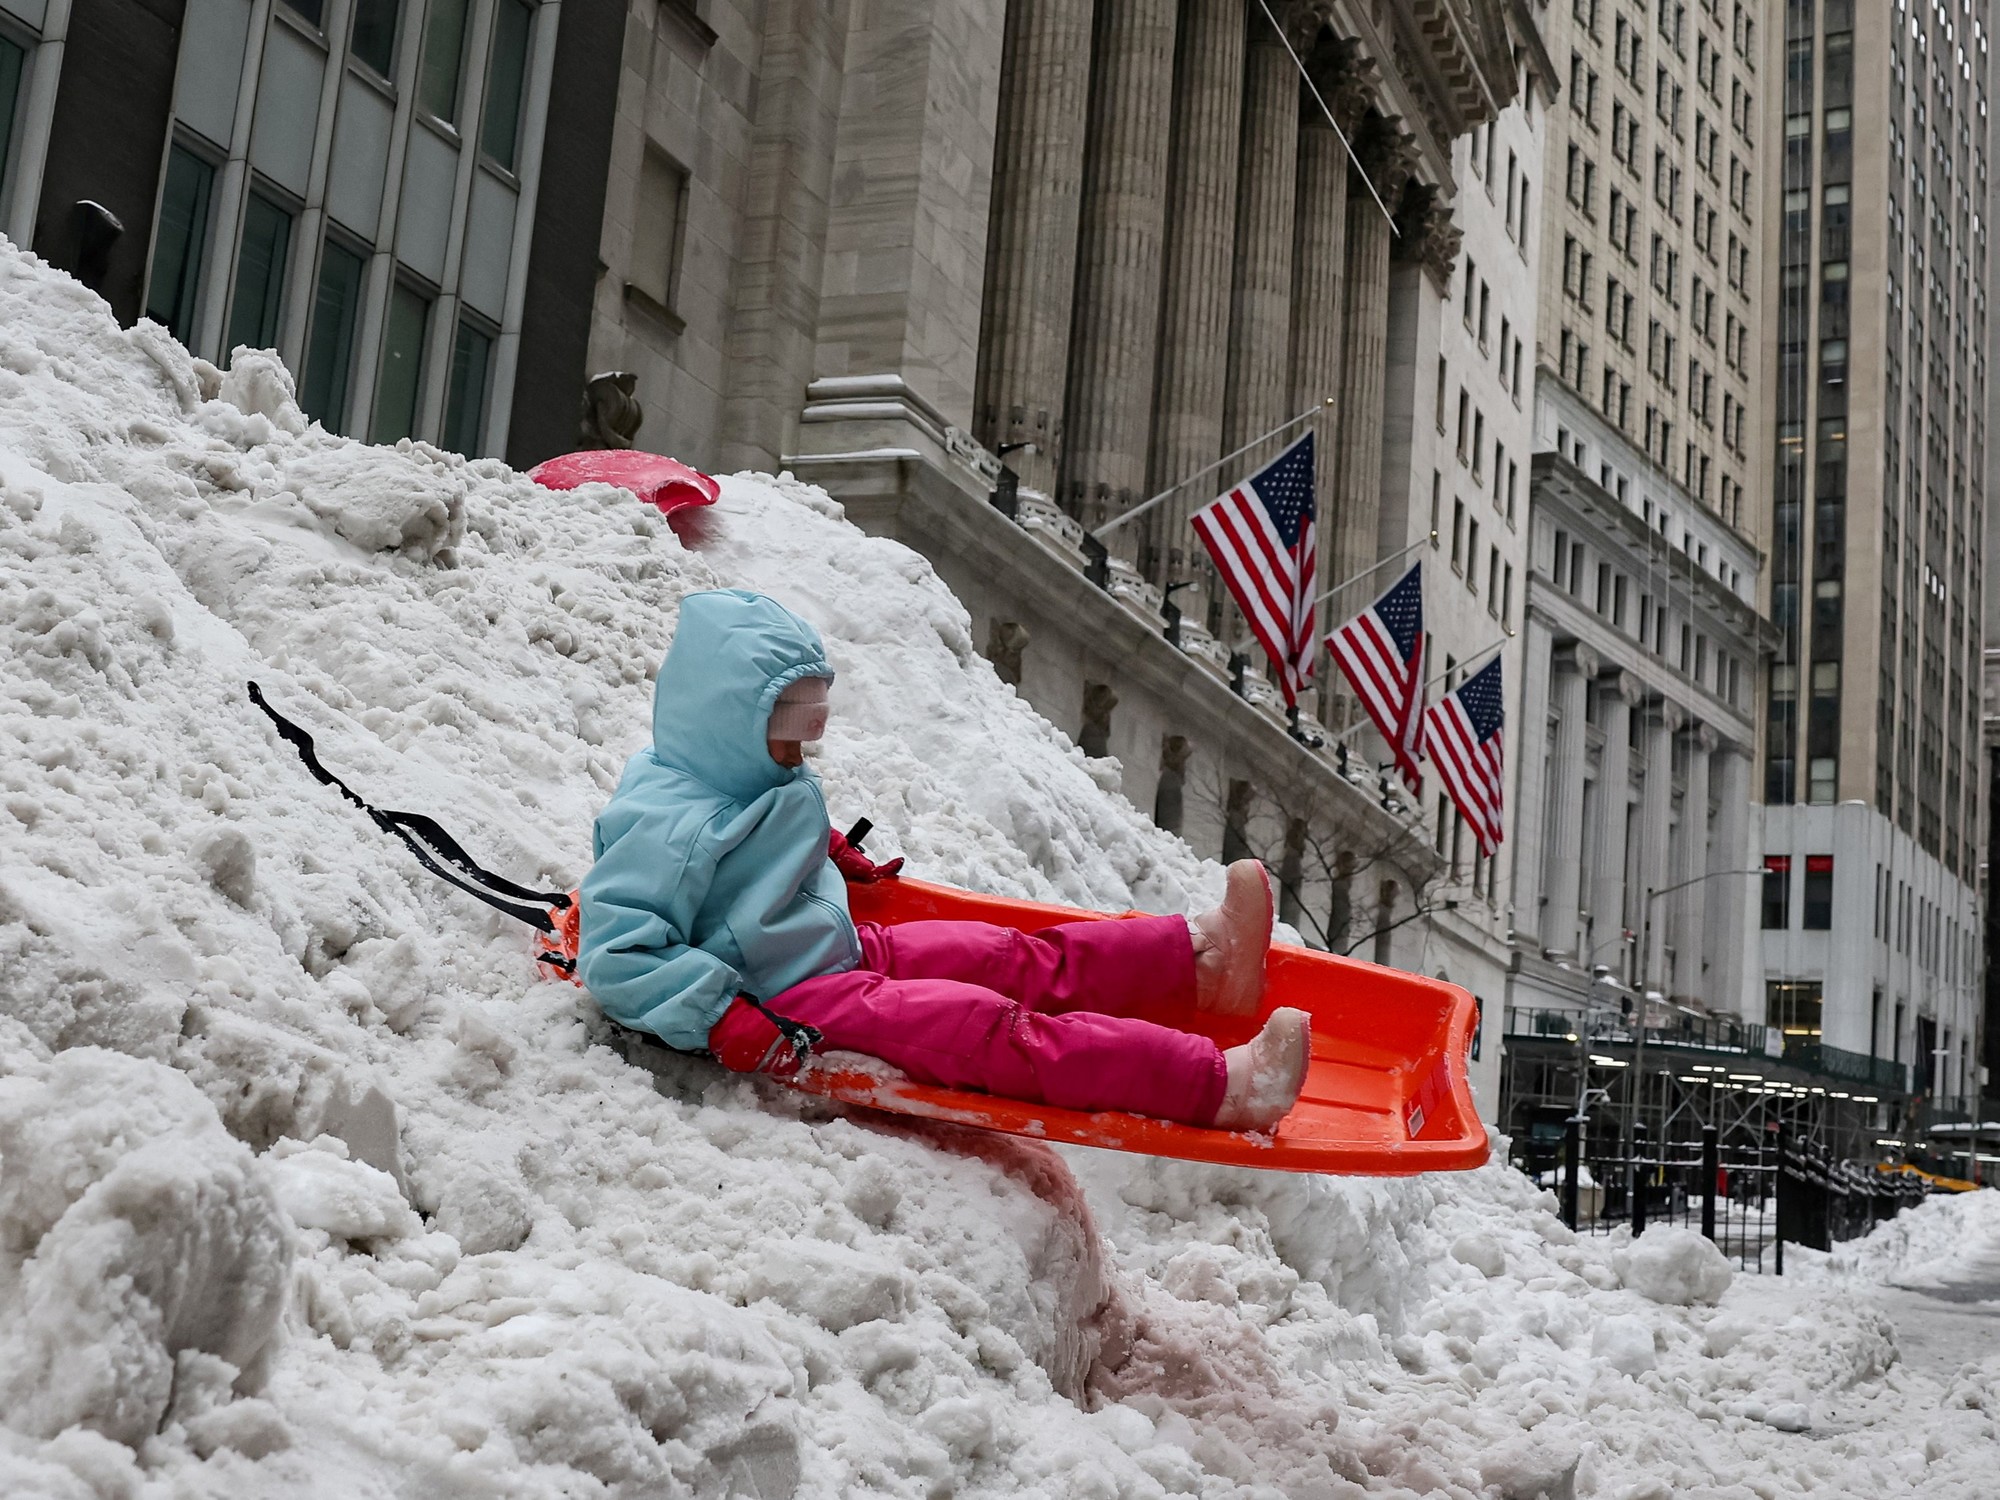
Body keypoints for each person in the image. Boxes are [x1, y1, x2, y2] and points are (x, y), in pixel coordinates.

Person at [578, 589, 1311, 1130]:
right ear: (727, 717)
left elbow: (754, 829)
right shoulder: (669, 827)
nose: (801, 751)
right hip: (786, 997)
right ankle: (1223, 1087)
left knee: (1007, 954)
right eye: (789, 730)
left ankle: (1204, 963)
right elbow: (617, 957)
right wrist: (721, 1015)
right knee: (994, 1029)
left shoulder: (741, 766)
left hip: (838, 948)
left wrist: (825, 848)